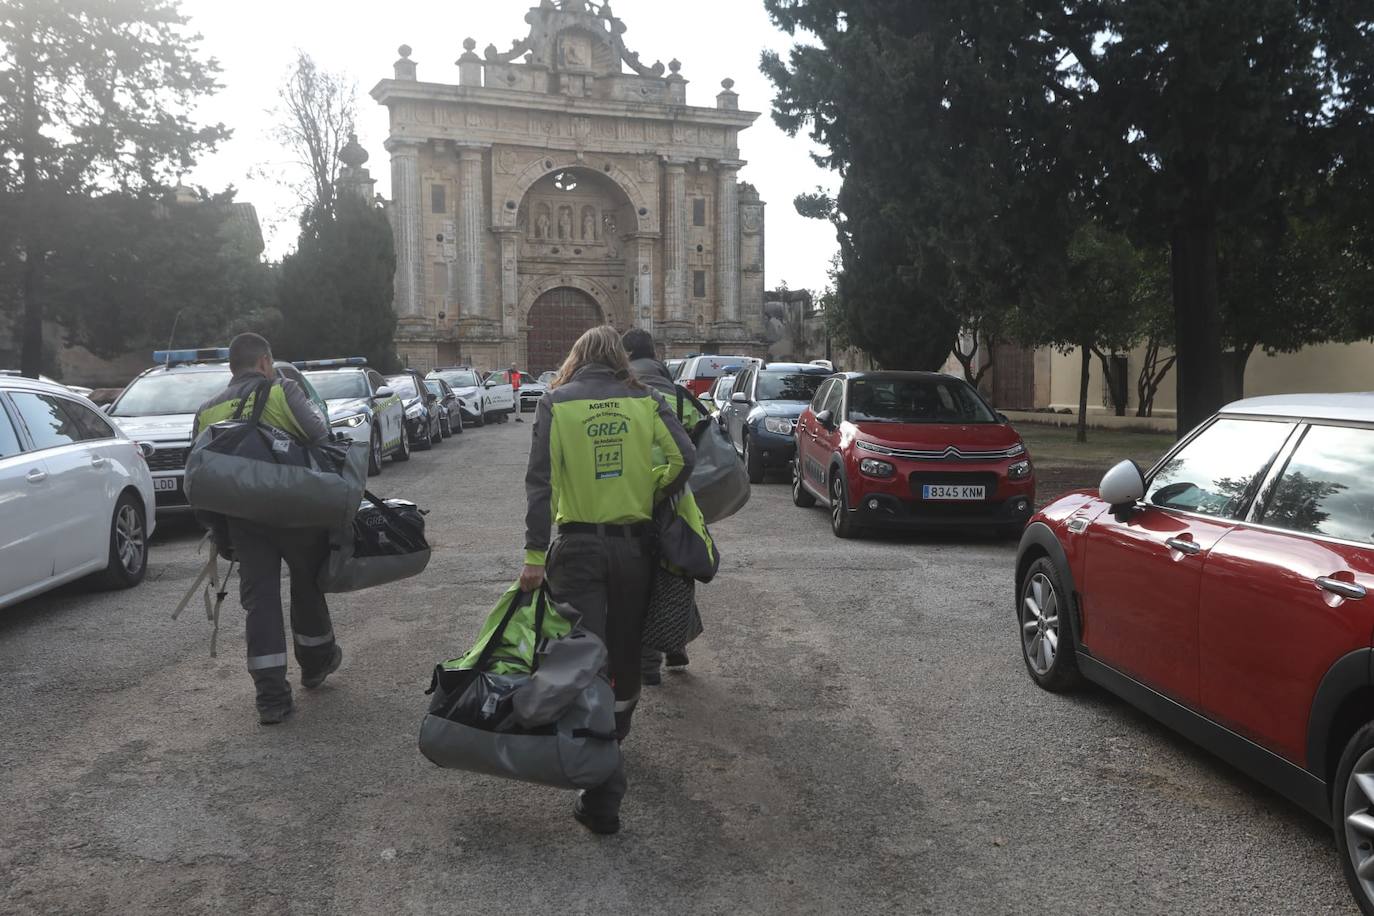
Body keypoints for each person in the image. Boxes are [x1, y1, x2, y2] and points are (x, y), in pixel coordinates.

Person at [521, 325, 696, 835]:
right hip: (634, 549)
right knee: (624, 656)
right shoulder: (643, 400)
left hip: (576, 549)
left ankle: (600, 789)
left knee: (581, 659)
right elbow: (683, 455)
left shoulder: (556, 403)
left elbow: (539, 484)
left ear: (577, 357)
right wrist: (651, 490)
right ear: (618, 358)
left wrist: (534, 556)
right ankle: (613, 742)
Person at [192, 333, 341, 725]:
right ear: (264, 363)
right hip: (296, 510)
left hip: (244, 520)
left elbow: (203, 478)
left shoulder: (207, 410)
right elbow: (321, 437)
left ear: (232, 368)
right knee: (307, 586)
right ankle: (315, 663)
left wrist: (221, 533)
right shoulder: (282, 391)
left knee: (260, 602)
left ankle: (271, 698)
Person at [622, 328, 700, 684]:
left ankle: (649, 663)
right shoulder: (675, 390)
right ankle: (675, 644)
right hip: (677, 494)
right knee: (676, 569)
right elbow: (697, 437)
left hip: (635, 493)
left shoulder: (624, 391)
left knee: (645, 576)